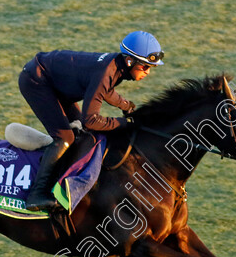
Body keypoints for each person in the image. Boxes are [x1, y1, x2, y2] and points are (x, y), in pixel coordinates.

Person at [19, 31, 165, 212]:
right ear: (130, 61)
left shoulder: (115, 67)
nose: (148, 72)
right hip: (37, 81)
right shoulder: (107, 72)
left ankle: (63, 182)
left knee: (82, 135)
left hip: (55, 83)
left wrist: (125, 105)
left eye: (151, 67)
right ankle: (37, 195)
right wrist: (126, 123)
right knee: (65, 137)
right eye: (145, 67)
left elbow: (105, 90)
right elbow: (91, 121)